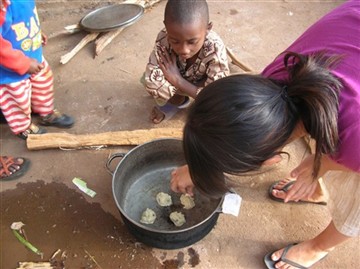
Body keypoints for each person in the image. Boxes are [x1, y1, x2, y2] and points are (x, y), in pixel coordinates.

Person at [170, 1, 359, 268]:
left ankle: (317, 248)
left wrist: (322, 165)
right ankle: (317, 189)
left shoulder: (354, 139)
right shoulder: (273, 80)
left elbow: (349, 143)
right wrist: (197, 164)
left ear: (271, 160)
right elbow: (231, 124)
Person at [144, 0, 229, 124]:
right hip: (181, 82)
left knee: (220, 107)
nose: (184, 50)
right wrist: (175, 95)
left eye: (192, 42)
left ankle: (185, 96)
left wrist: (177, 80)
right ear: (166, 27)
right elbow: (152, 79)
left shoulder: (215, 48)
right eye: (175, 41)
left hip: (202, 84)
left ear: (207, 29)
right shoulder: (163, 38)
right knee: (149, 81)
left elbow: (216, 96)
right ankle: (178, 101)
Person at [0, 0, 74, 140]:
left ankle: (45, 113)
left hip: (32, 55)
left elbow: (25, 15)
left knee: (43, 83)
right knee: (17, 100)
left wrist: (35, 32)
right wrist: (22, 63)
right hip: (10, 71)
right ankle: (23, 127)